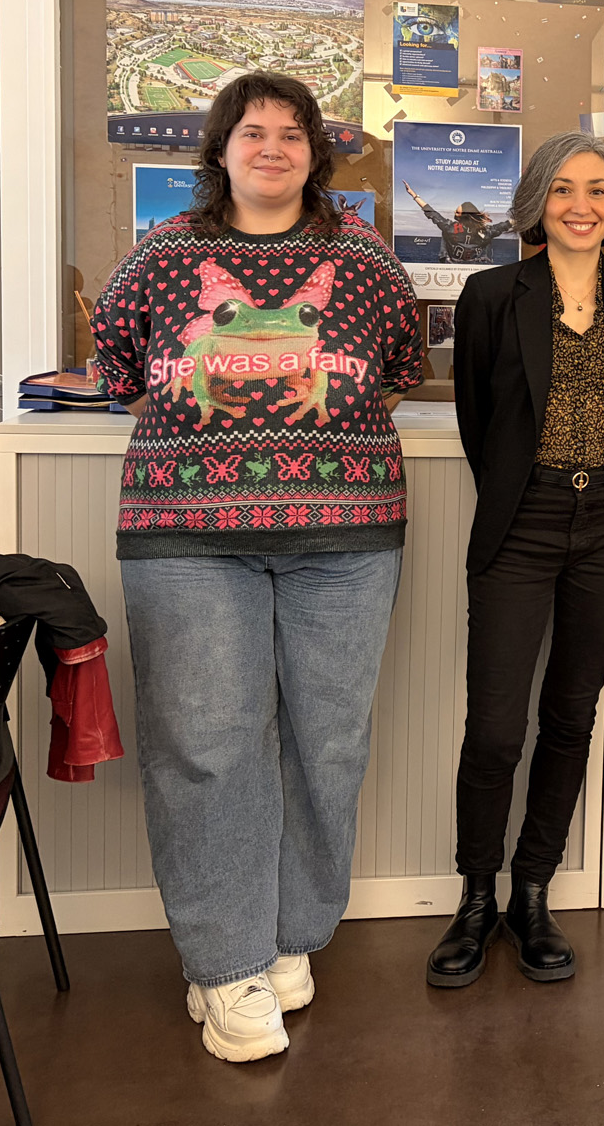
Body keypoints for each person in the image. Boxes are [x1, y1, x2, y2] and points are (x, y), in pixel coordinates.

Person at [91, 70, 425, 1063]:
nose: (271, 147)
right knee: (205, 745)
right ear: (221, 149)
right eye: (251, 131)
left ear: (315, 154)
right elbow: (118, 369)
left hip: (346, 539)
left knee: (328, 744)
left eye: (290, 132)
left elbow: (399, 369)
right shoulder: (159, 257)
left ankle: (288, 936)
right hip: (188, 536)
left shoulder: (366, 263)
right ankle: (223, 964)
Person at [426, 131, 604, 987]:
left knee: (570, 718)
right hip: (519, 526)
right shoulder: (493, 294)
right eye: (563, 188)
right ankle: (476, 898)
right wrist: (523, 492)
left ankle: (533, 893)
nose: (581, 205)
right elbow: (477, 418)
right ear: (536, 201)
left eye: (597, 189)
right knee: (496, 728)